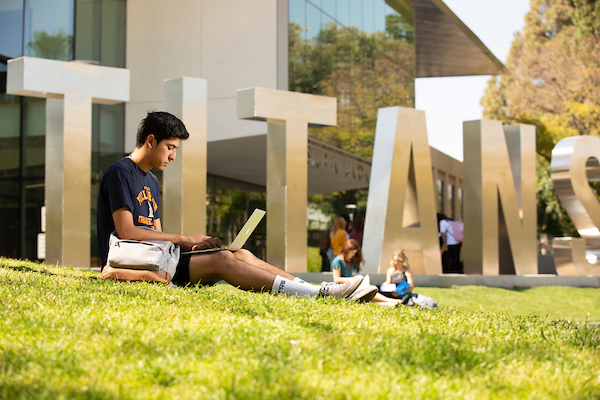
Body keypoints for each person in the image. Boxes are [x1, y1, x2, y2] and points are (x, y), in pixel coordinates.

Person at [97, 111, 376, 301]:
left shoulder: (152, 181)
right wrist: (184, 238)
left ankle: (314, 289)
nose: (172, 156)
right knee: (224, 260)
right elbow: (127, 232)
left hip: (158, 257)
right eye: (170, 147)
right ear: (150, 141)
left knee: (238, 253)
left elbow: (155, 235)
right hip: (130, 261)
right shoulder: (120, 173)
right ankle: (316, 295)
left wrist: (190, 245)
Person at [330, 239, 401, 307]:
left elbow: (350, 276)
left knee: (368, 289)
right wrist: (355, 279)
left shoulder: (350, 261)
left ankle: (388, 301)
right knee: (365, 291)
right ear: (346, 250)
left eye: (354, 253)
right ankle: (388, 301)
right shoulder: (337, 261)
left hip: (351, 287)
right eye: (352, 253)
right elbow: (337, 279)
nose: (353, 255)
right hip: (341, 289)